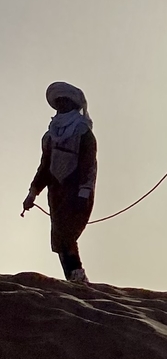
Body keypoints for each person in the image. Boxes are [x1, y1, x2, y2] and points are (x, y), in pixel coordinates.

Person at [22, 82, 98, 282]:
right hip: (56, 191)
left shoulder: (83, 132)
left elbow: (88, 165)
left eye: (65, 101)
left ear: (73, 104)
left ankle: (77, 275)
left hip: (76, 192)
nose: (61, 105)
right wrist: (32, 193)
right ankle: (71, 277)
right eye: (59, 102)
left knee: (66, 234)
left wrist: (84, 192)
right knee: (59, 237)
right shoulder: (50, 136)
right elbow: (45, 167)